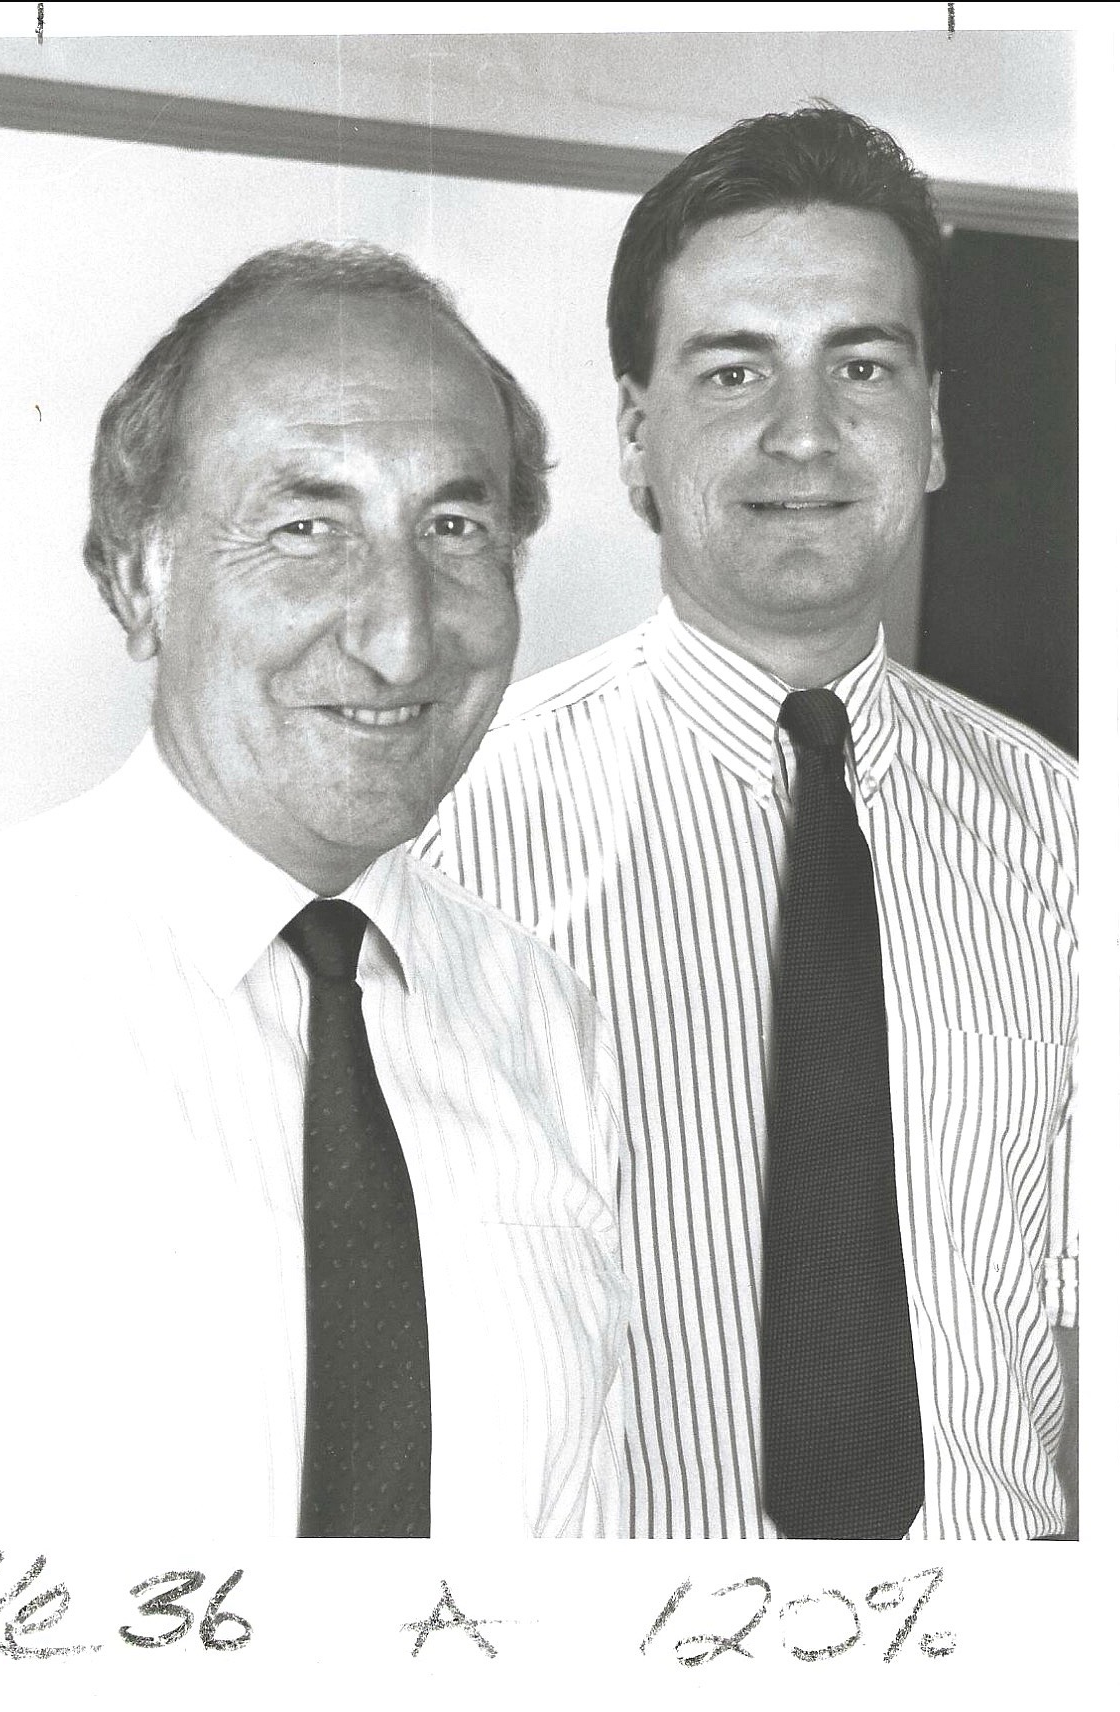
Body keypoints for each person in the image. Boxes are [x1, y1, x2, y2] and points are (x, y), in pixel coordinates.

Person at [0, 242, 630, 1547]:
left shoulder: (545, 1022)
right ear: (139, 578)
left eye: (455, 529)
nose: (401, 635)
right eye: (305, 528)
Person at [419, 106, 1077, 1540]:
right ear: (635, 439)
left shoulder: (1075, 845)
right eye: (734, 371)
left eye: (863, 365)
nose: (806, 431)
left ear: (933, 427)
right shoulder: (448, 832)